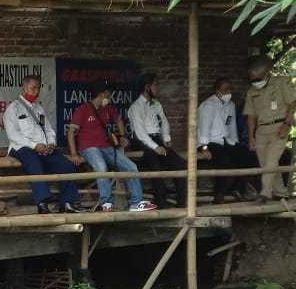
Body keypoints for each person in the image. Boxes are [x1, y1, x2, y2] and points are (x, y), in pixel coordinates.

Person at [67, 81, 155, 212]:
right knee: (101, 168)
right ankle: (106, 203)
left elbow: (119, 120)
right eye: (108, 95)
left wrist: (122, 135)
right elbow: (71, 132)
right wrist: (74, 153)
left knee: (131, 166)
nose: (109, 98)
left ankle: (136, 203)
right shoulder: (84, 109)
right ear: (102, 95)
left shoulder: (108, 108)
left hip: (106, 147)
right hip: (88, 147)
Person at [4, 75, 81, 214]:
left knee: (66, 164)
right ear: (24, 87)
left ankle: (67, 203)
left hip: (43, 148)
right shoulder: (13, 108)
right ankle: (42, 203)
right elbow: (13, 135)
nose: (36, 91)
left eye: (38, 88)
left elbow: (48, 129)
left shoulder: (39, 109)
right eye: (33, 88)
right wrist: (34, 146)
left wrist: (51, 143)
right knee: (34, 163)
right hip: (22, 147)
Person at [197, 78, 259, 203]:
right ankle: (219, 195)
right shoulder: (208, 105)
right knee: (223, 160)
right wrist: (204, 148)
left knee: (249, 156)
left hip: (226, 141)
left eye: (230, 89)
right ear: (217, 91)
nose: (229, 92)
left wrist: (235, 144)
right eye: (225, 89)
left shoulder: (231, 105)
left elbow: (231, 127)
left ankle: (237, 188)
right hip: (209, 142)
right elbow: (203, 129)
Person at [128, 73, 185, 207]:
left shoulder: (156, 104)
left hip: (156, 140)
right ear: (147, 87)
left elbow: (164, 121)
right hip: (142, 142)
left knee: (179, 164)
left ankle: (182, 201)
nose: (157, 88)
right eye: (155, 85)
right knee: (155, 164)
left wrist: (166, 138)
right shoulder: (136, 107)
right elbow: (140, 133)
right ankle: (160, 200)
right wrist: (155, 147)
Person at [244, 55, 296, 200]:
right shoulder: (251, 92)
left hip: (279, 127)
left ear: (267, 73)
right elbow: (250, 116)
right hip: (261, 130)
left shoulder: (281, 82)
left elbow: (292, 104)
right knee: (266, 164)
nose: (255, 82)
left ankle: (265, 193)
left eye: (258, 78)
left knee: (272, 160)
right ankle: (280, 193)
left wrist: (286, 125)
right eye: (252, 79)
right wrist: (251, 137)